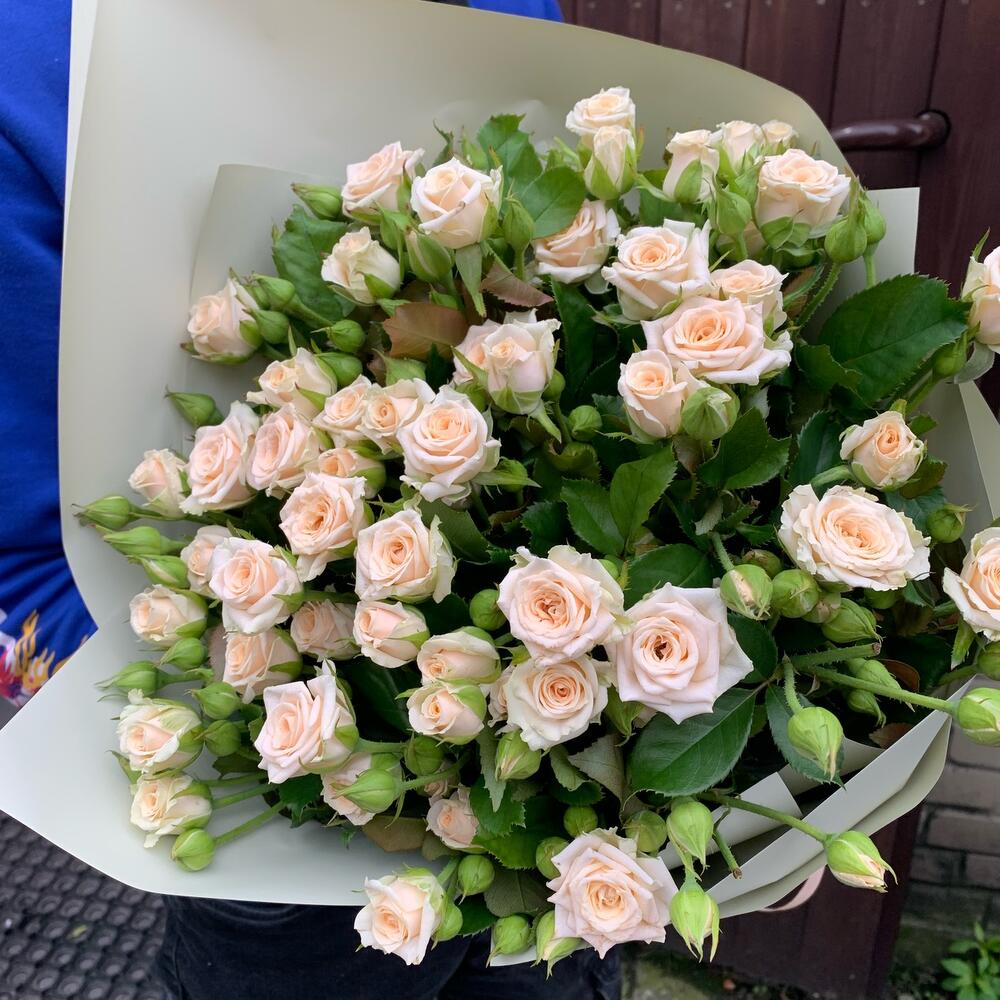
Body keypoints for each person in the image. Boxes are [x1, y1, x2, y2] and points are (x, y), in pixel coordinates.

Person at [0, 0, 622, 996]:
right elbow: (28, 552)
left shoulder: (500, 11)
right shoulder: (35, 59)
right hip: (283, 815)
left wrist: (741, 773)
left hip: (581, 794)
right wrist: (281, 719)